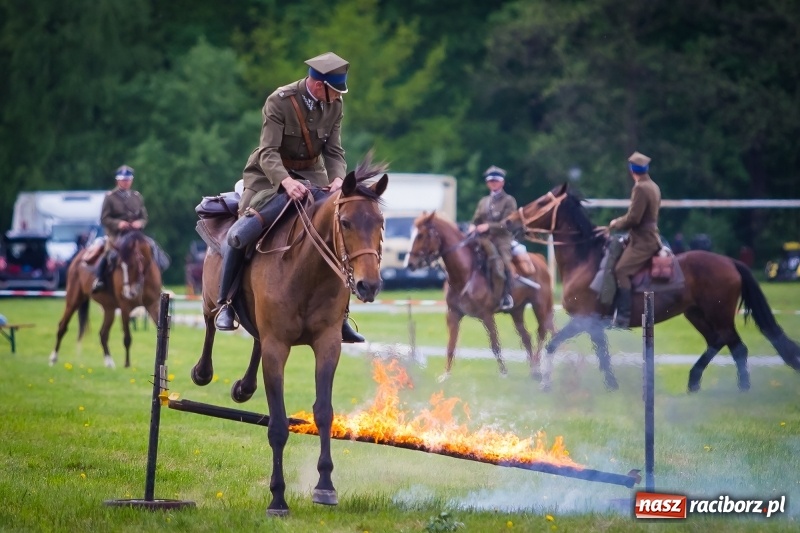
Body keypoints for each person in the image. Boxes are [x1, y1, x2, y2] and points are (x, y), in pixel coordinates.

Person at [214, 52, 364, 343]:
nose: (337, 97)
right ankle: (227, 303)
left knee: (338, 229)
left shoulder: (335, 104)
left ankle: (340, 316)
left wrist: (336, 179)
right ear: (319, 85)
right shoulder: (279, 101)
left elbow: (334, 152)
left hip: (312, 174)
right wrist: (285, 182)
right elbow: (267, 152)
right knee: (242, 233)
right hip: (268, 177)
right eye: (335, 90)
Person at [470, 165, 537, 310]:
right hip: (484, 238)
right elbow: (476, 219)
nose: (493, 183)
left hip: (502, 239)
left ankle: (506, 295)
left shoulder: (509, 200)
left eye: (496, 181)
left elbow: (508, 223)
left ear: (502, 183)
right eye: (490, 181)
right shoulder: (483, 201)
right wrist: (472, 226)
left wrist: (489, 226)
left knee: (504, 264)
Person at [607, 151, 662, 328]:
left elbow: (634, 219)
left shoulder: (640, 187)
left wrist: (616, 223)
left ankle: (623, 316)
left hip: (643, 241)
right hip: (649, 235)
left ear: (632, 170)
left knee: (621, 270)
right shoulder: (653, 186)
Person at [92, 165, 148, 292]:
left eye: (128, 180)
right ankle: (100, 280)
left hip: (134, 234)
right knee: (109, 254)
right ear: (118, 180)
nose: (126, 182)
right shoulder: (110, 197)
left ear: (131, 180)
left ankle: (153, 281)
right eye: (123, 180)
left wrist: (140, 223)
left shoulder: (136, 196)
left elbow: (144, 217)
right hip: (116, 235)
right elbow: (104, 218)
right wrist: (118, 224)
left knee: (150, 249)